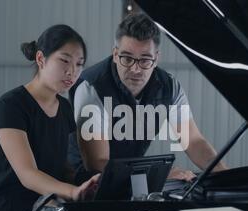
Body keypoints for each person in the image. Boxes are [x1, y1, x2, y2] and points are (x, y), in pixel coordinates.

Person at [68, 13, 227, 185]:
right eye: (127, 58)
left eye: (145, 60)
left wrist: (226, 175)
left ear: (156, 58)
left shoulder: (170, 87)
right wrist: (159, 173)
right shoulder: (92, 88)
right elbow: (97, 163)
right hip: (85, 185)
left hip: (133, 179)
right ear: (115, 54)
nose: (136, 69)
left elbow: (194, 141)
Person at [0, 24, 100, 211]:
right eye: (64, 61)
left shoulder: (65, 108)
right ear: (41, 58)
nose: (72, 72)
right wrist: (72, 191)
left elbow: (60, 166)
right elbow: (28, 174)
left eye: (79, 64)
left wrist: (93, 182)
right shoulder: (11, 106)